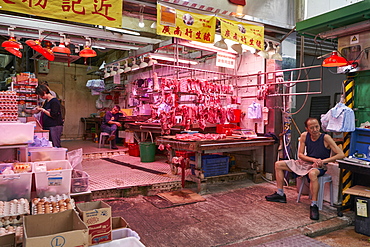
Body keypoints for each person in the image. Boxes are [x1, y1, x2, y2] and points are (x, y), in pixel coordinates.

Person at [265, 117, 345, 220]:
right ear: (307, 128)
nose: (315, 130)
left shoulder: (325, 138)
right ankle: (280, 194)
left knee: (312, 174)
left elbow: (341, 154)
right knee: (278, 164)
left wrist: (322, 161)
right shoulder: (304, 136)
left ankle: (314, 205)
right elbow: (301, 155)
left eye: (317, 127)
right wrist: (313, 160)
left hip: (320, 166)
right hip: (305, 163)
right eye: (311, 128)